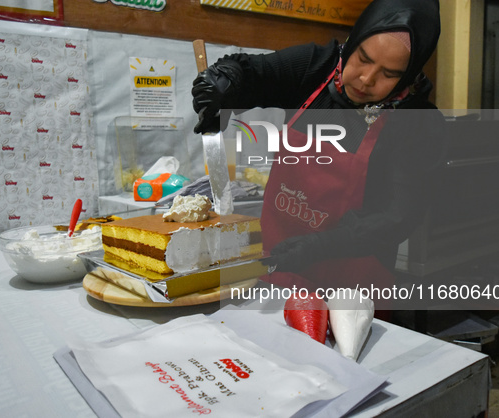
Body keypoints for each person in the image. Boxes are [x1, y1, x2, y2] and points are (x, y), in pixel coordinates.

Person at [191, 0, 446, 306]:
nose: (366, 79)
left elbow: (398, 217)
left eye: (389, 74)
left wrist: (319, 245)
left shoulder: (418, 122)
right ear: (355, 40)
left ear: (409, 74)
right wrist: (223, 83)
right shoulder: (316, 67)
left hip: (353, 296)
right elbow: (254, 73)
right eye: (363, 58)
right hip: (276, 275)